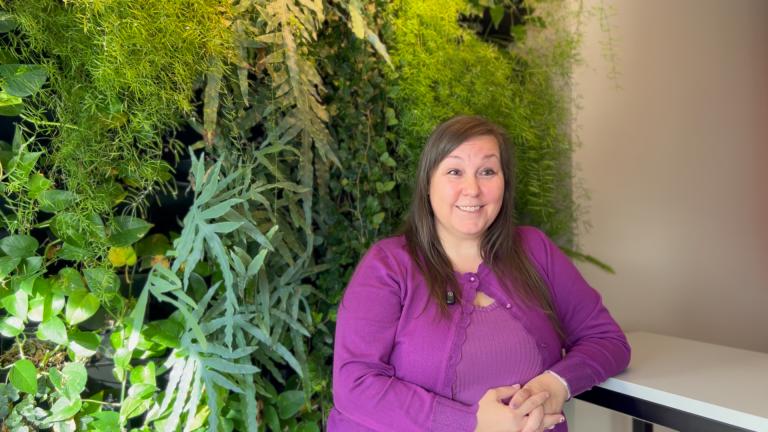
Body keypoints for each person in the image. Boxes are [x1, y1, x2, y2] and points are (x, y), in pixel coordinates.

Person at [328, 115, 630, 431]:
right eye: (454, 171)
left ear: (504, 183)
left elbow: (607, 340)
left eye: (487, 171)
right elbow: (355, 385)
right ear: (427, 183)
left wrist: (556, 385)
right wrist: (469, 423)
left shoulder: (534, 249)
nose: (472, 189)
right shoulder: (388, 266)